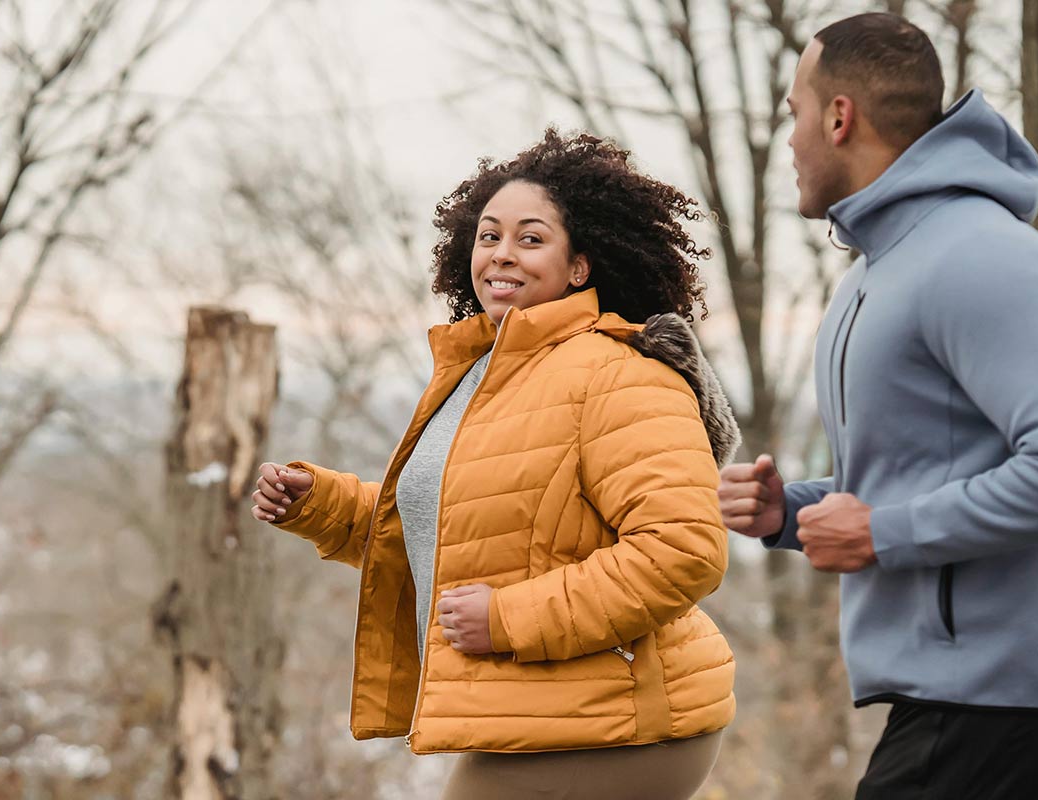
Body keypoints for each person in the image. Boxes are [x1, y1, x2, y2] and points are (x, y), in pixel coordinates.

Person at [718, 12, 1038, 798]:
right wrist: (789, 514)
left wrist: (883, 532)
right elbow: (923, 473)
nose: (791, 142)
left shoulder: (982, 255)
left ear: (840, 117)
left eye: (794, 115)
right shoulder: (881, 269)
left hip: (993, 699)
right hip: (962, 696)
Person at [251, 130, 741, 799]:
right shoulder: (478, 375)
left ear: (579, 267)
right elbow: (457, 536)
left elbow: (683, 551)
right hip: (546, 714)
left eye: (531, 238)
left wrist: (508, 617)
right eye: (488, 236)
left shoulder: (617, 374)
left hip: (626, 721)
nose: (502, 255)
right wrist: (322, 505)